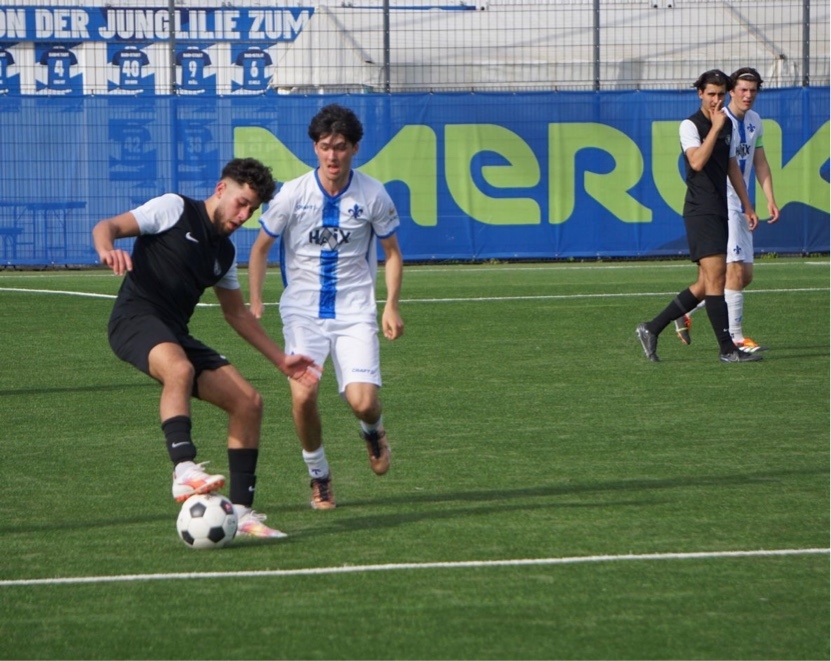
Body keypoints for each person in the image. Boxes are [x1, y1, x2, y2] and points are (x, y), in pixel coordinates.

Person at [92, 157, 322, 538]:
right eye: (241, 202)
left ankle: (242, 512)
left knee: (249, 403)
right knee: (178, 369)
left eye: (252, 208)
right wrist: (106, 249)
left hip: (174, 332)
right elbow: (109, 226)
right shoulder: (174, 209)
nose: (245, 214)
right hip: (133, 319)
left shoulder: (225, 254)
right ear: (221, 190)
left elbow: (238, 315)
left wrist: (282, 360)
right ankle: (184, 469)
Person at [248, 104, 404, 510]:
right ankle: (319, 476)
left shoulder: (373, 194)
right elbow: (260, 248)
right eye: (324, 146)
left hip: (355, 312)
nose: (332, 156)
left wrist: (390, 307)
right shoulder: (292, 195)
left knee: (363, 402)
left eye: (340, 147)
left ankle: (373, 430)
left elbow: (393, 253)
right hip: (302, 312)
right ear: (314, 148)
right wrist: (257, 299)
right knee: (304, 393)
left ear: (355, 148)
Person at [636, 69, 762, 363]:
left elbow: (732, 167)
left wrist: (748, 204)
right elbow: (696, 162)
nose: (716, 100)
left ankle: (651, 328)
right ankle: (728, 349)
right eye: (711, 94)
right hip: (700, 209)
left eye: (720, 94)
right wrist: (716, 127)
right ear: (700, 94)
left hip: (719, 208)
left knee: (705, 284)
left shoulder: (727, 124)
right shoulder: (690, 125)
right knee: (717, 280)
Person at [672, 67, 780, 351]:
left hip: (740, 201)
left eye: (753, 90)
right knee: (729, 272)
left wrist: (766, 198)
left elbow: (759, 161)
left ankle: (686, 311)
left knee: (743, 276)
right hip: (721, 202)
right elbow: (699, 162)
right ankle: (735, 338)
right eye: (742, 89)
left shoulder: (755, 121)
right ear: (730, 92)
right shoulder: (717, 118)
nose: (748, 95)